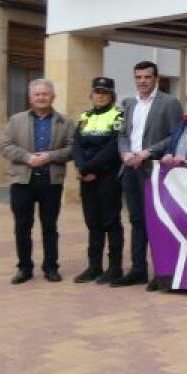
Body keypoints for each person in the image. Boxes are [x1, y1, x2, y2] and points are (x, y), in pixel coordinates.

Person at [0, 79, 73, 283]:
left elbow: (73, 148)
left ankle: (51, 267)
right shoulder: (16, 120)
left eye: (45, 94)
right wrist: (27, 157)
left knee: (50, 226)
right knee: (22, 226)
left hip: (51, 182)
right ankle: (24, 268)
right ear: (30, 98)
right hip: (22, 182)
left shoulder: (65, 122)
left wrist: (51, 156)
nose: (41, 97)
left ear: (53, 97)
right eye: (37, 94)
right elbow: (4, 145)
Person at [117, 62, 182, 289]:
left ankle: (162, 271)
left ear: (156, 78)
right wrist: (125, 152)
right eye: (138, 77)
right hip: (130, 168)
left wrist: (147, 152)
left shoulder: (170, 102)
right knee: (136, 220)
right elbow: (123, 134)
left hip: (154, 169)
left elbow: (175, 136)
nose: (142, 81)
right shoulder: (128, 103)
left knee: (156, 221)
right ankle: (138, 269)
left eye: (147, 77)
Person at [70, 77, 126, 285]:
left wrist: (88, 167)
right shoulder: (85, 116)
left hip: (107, 176)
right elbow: (76, 143)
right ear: (92, 94)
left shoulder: (118, 115)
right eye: (97, 92)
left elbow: (113, 147)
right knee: (92, 222)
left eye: (105, 92)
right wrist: (81, 168)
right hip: (87, 176)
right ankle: (94, 267)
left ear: (111, 95)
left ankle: (115, 268)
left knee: (110, 221)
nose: (100, 95)